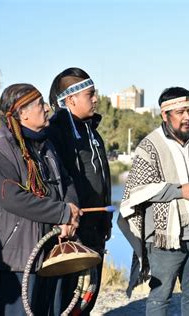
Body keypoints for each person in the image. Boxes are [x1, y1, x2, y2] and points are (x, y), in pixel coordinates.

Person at [117, 87, 189, 315]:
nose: (187, 117)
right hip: (164, 238)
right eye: (180, 112)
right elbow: (137, 190)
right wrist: (180, 191)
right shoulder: (150, 145)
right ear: (165, 115)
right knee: (160, 298)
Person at [0, 84, 81, 315]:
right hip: (19, 257)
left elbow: (65, 181)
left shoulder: (45, 144)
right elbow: (13, 199)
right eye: (40, 104)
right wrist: (63, 213)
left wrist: (70, 214)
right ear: (23, 113)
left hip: (52, 250)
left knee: (54, 311)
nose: (47, 109)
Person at [47, 67, 112, 314]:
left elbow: (102, 179)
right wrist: (66, 220)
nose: (95, 99)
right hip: (72, 230)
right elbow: (58, 182)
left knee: (88, 294)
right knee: (68, 299)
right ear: (71, 99)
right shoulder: (54, 133)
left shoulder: (92, 132)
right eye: (90, 94)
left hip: (96, 226)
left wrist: (107, 219)